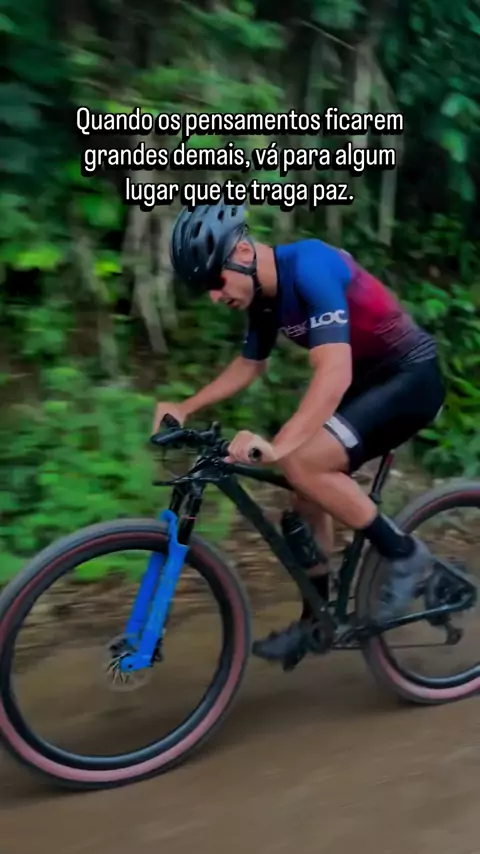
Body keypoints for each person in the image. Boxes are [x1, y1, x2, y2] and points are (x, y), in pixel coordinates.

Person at [153, 200, 445, 668]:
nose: (214, 296)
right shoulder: (262, 296)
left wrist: (280, 446)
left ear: (242, 252)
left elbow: (333, 371)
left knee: (301, 462)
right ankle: (316, 622)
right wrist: (185, 407)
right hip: (365, 384)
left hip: (409, 377)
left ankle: (406, 554)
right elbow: (250, 364)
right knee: (302, 497)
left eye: (215, 281)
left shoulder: (311, 265)